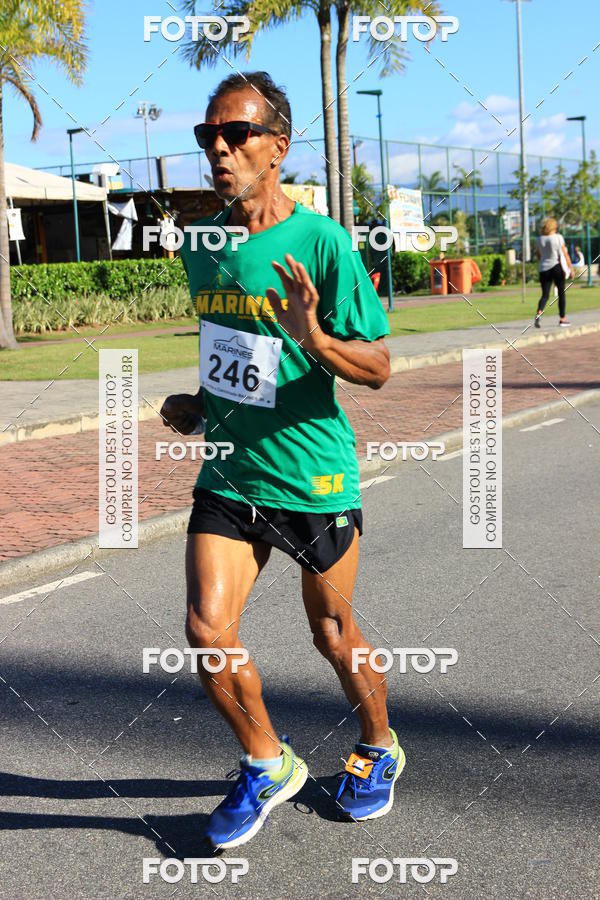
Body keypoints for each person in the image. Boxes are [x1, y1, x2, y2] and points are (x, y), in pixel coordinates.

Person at [160, 71, 403, 850]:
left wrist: (315, 338)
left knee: (332, 632)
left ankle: (379, 746)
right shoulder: (203, 245)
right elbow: (233, 350)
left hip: (312, 474)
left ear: (278, 147)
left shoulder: (322, 241)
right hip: (232, 471)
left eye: (236, 134)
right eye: (208, 136)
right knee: (207, 629)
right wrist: (201, 402)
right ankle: (268, 761)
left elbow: (378, 365)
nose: (219, 149)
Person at [534, 217, 573, 328]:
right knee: (561, 293)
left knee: (545, 295)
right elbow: (565, 254)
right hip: (556, 267)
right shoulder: (558, 237)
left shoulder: (539, 239)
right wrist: (570, 268)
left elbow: (538, 255)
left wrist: (543, 261)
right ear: (553, 227)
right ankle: (562, 319)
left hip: (543, 269)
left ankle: (539, 313)